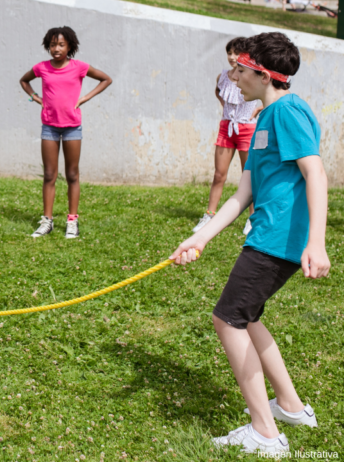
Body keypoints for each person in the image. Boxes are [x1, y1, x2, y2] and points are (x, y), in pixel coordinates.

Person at [171, 32, 329, 455]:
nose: (233, 76)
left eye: (240, 70)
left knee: (228, 320)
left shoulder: (288, 112)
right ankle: (291, 407)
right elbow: (244, 193)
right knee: (248, 316)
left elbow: (315, 173)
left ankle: (265, 432)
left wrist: (317, 242)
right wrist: (199, 238)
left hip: (279, 240)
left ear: (262, 74)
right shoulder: (262, 120)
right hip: (266, 235)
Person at [19, 26, 112, 239]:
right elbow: (24, 80)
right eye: (52, 45)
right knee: (50, 174)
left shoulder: (79, 67)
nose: (56, 49)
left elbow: (106, 79)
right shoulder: (42, 68)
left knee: (72, 174)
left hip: (72, 127)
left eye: (61, 44)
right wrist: (34, 96)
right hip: (49, 127)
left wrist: (85, 98)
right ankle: (47, 221)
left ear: (70, 46)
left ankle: (72, 221)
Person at [193, 37, 262, 235]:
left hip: (247, 130)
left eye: (237, 53)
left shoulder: (252, 76)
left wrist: (258, 109)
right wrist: (227, 109)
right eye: (229, 53)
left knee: (249, 177)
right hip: (226, 128)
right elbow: (219, 92)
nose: (232, 57)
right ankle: (209, 215)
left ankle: (252, 219)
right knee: (219, 174)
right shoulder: (222, 76)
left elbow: (269, 93)